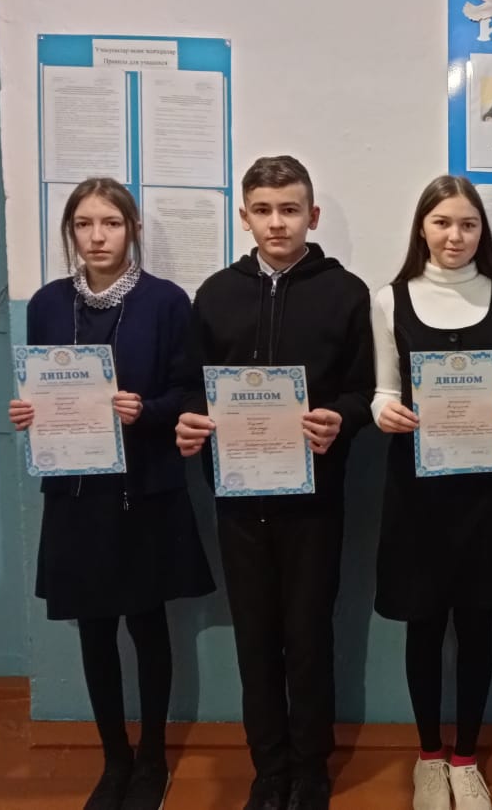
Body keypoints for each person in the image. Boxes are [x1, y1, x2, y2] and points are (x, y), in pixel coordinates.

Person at [175, 156, 374, 810]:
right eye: (263, 210)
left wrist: (340, 418)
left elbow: (364, 390)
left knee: (310, 632)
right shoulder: (215, 294)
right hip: (238, 497)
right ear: (245, 217)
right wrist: (191, 421)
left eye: (290, 209)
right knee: (255, 635)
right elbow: (191, 386)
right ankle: (269, 767)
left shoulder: (346, 293)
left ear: (312, 216)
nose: (277, 222)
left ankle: (311, 767)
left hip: (314, 497)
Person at [9, 177, 214, 810]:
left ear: (133, 230)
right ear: (70, 231)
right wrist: (28, 412)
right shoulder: (47, 304)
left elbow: (189, 391)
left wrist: (145, 410)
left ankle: (151, 759)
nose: (97, 237)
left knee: (147, 625)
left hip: (143, 488)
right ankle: (114, 759)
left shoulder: (166, 301)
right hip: (75, 492)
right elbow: (42, 386)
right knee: (93, 631)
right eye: (83, 224)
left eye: (111, 223)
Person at [371, 176, 492, 810]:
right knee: (422, 625)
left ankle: (466, 758)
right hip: (415, 491)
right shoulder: (389, 299)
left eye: (468, 224)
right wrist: (384, 412)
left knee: (477, 624)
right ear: (422, 227)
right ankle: (428, 756)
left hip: (485, 492)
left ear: (481, 230)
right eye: (442, 222)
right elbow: (384, 390)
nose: (455, 235)